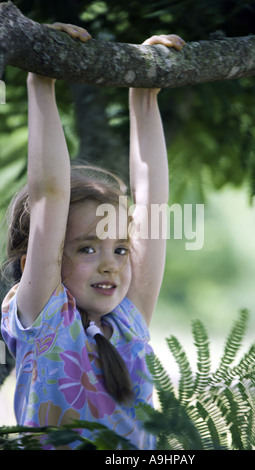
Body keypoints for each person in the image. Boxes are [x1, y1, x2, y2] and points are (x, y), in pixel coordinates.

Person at [0, 23, 185, 449]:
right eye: (87, 247)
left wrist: (145, 86)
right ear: (35, 265)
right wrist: (41, 77)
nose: (110, 264)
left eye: (121, 249)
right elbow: (49, 194)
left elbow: (152, 202)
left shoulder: (128, 320)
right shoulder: (44, 318)